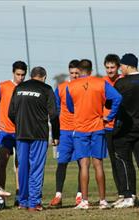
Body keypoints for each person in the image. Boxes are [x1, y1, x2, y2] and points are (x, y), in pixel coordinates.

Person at [66, 59, 122, 210]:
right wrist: (109, 117)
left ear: (79, 70)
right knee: (98, 164)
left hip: (80, 129)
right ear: (91, 70)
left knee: (84, 165)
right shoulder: (101, 83)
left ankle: (84, 201)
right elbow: (118, 98)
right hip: (98, 127)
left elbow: (71, 108)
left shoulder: (70, 86)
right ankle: (103, 201)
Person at [8, 66, 60, 212]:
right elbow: (54, 115)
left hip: (21, 134)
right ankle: (34, 203)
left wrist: (20, 124)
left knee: (23, 167)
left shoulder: (18, 88)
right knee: (36, 168)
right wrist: (56, 135)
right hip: (39, 135)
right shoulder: (47, 89)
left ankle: (23, 202)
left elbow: (11, 113)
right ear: (44, 77)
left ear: (31, 76)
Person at [113, 53, 139, 208]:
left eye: (121, 65)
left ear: (128, 65)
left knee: (125, 162)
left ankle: (130, 196)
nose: (120, 68)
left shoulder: (121, 83)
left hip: (123, 128)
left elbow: (114, 104)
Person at [0, 61, 27, 206]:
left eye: (23, 75)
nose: (20, 77)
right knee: (2, 161)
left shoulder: (27, 88)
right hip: (5, 134)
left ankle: (19, 196)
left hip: (22, 134)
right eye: (18, 74)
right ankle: (0, 196)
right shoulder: (2, 87)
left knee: (20, 165)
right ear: (13, 73)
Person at [49, 60, 82, 208]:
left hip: (81, 130)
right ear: (69, 72)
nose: (74, 75)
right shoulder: (61, 88)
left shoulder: (84, 87)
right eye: (72, 73)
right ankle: (58, 195)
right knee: (62, 163)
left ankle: (80, 196)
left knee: (83, 164)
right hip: (65, 131)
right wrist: (55, 134)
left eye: (77, 73)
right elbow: (55, 111)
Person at [102, 54, 124, 205]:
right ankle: (121, 193)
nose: (110, 70)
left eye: (112, 67)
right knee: (114, 162)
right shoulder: (102, 82)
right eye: (107, 67)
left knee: (123, 160)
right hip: (107, 128)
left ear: (118, 67)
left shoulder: (123, 80)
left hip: (121, 126)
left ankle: (129, 193)